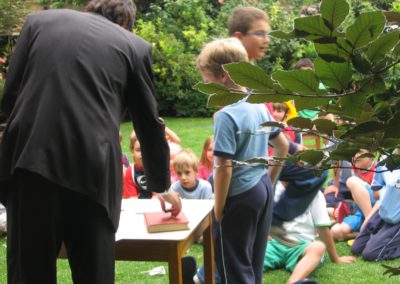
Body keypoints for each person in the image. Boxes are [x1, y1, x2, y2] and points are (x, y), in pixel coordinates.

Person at [0, 1, 181, 283]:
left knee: (28, 273)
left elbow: (11, 95)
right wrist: (161, 186)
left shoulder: (39, 22)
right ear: (126, 23)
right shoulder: (134, 46)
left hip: (30, 165)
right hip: (93, 175)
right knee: (94, 275)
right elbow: (148, 124)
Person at [197, 37, 289, 284]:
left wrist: (218, 209)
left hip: (237, 198)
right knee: (252, 266)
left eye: (208, 80)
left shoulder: (227, 115)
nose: (206, 86)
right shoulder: (257, 103)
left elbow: (223, 167)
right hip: (261, 190)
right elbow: (283, 145)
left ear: (223, 77)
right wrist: (268, 180)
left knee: (234, 270)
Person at [228, 6, 327, 225]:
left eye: (268, 34)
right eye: (260, 33)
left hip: (263, 159)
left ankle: (272, 219)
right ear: (239, 37)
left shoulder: (251, 77)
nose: (267, 40)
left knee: (315, 170)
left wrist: (292, 147)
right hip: (245, 165)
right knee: (236, 237)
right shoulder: (233, 78)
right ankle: (272, 219)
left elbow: (264, 123)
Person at [264, 185, 355, 284]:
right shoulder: (271, 187)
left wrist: (335, 258)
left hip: (301, 247)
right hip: (273, 244)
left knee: (318, 246)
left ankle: (294, 281)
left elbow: (323, 229)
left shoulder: (315, 194)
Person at [351, 151, 400, 261]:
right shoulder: (384, 160)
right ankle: (381, 238)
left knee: (370, 255)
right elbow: (376, 192)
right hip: (384, 210)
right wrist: (390, 191)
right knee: (356, 248)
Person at [123, 132, 154, 199]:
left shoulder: (158, 169)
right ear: (132, 151)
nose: (143, 153)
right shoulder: (130, 172)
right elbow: (131, 200)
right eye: (138, 150)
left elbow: (160, 196)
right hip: (139, 206)